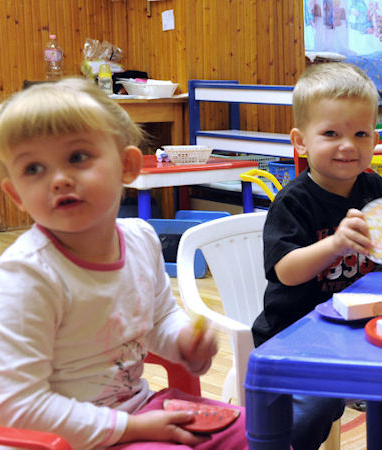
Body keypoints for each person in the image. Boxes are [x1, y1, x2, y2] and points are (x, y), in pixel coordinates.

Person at [0, 78, 246, 449]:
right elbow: (15, 404)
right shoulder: (27, 275)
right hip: (60, 438)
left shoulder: (141, 239)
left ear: (128, 166)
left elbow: (160, 318)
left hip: (139, 411)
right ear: (16, 193)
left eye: (78, 157)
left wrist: (185, 342)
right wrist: (133, 429)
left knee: (254, 431)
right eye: (34, 169)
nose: (59, 180)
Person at [251, 62, 382, 450]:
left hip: (370, 332)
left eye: (360, 133)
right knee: (308, 413)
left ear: (374, 137)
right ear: (301, 141)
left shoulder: (373, 187)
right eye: (331, 133)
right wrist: (336, 244)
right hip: (299, 337)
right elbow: (285, 272)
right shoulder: (294, 201)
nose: (348, 145)